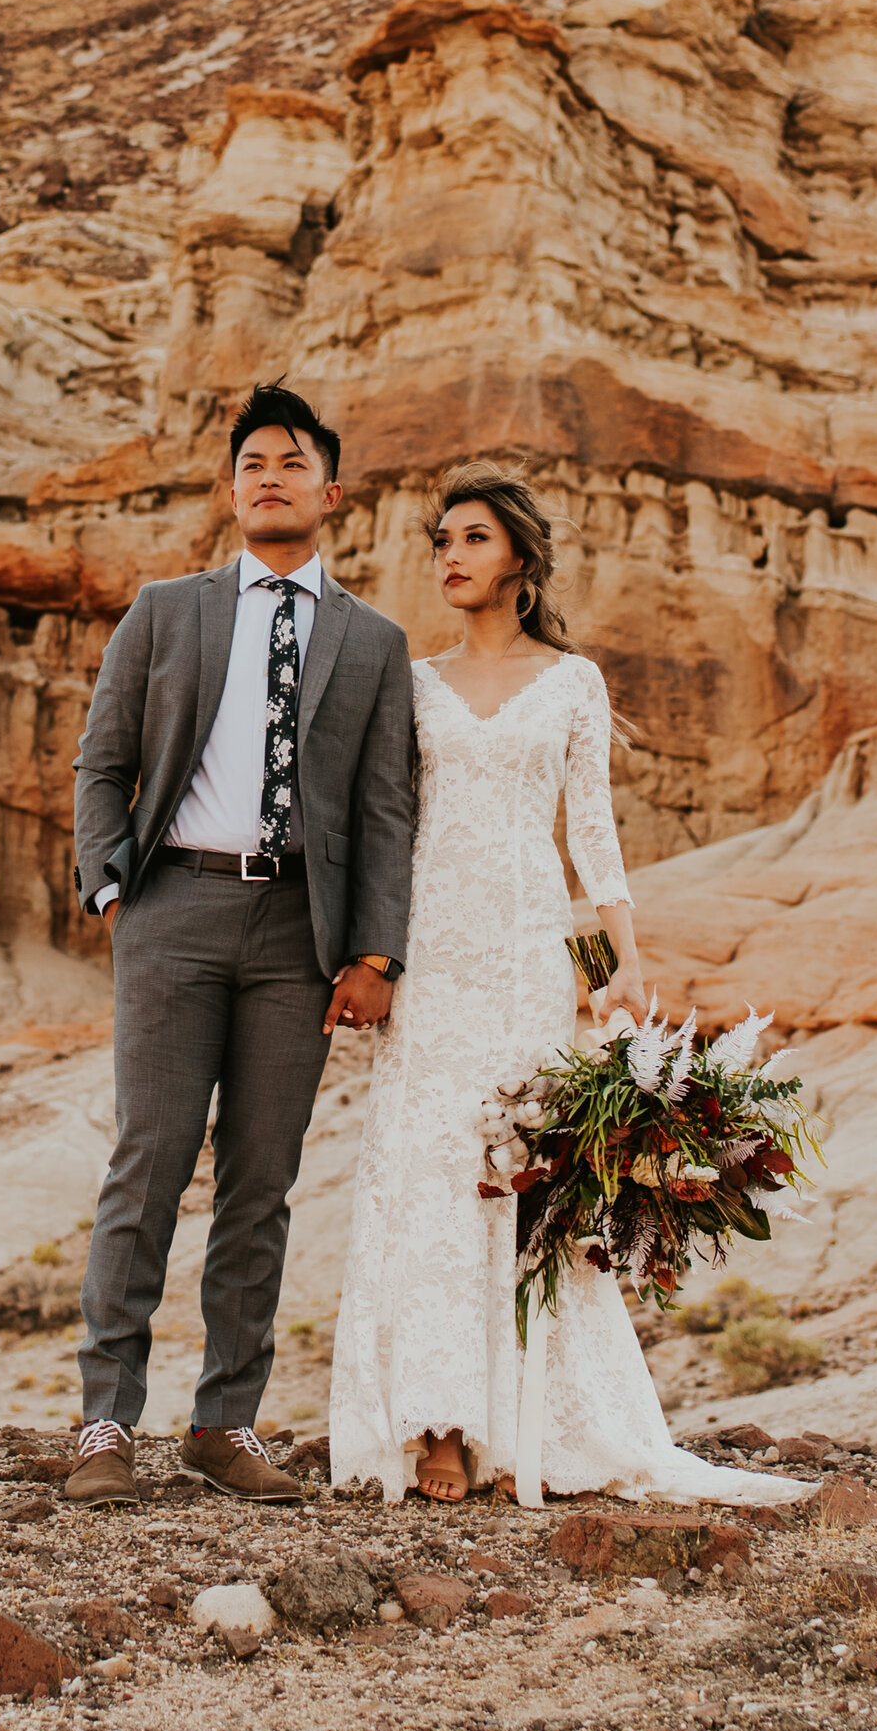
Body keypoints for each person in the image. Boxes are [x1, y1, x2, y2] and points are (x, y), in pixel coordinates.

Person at [327, 462, 809, 1510]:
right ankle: (438, 1424)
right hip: (434, 956)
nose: (449, 555)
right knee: (431, 1171)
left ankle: (534, 1421)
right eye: (441, 539)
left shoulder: (573, 681)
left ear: (519, 558)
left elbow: (588, 830)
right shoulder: (412, 681)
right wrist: (373, 954)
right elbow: (386, 827)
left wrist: (620, 961)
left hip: (530, 956)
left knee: (522, 1174)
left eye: (471, 538)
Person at [66, 380, 416, 1507]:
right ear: (230, 488)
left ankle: (226, 1422)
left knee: (260, 1181)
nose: (271, 475)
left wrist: (374, 952)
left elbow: (383, 807)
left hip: (296, 935)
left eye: (292, 460)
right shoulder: (167, 608)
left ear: (331, 489)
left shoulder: (372, 640)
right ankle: (104, 1422)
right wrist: (113, 889)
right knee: (149, 1165)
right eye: (252, 461)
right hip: (173, 910)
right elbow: (102, 760)